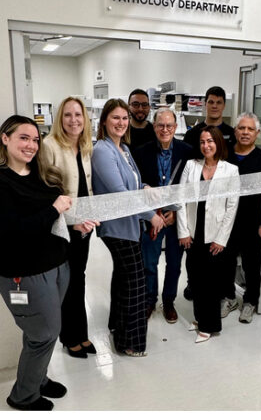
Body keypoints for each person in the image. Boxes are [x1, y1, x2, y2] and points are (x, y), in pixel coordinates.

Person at [0, 115, 85, 411]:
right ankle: (23, 396)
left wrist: (74, 223)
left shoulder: (42, 174)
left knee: (42, 331)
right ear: (5, 138)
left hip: (56, 265)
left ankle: (37, 379)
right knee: (43, 334)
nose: (31, 145)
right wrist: (55, 208)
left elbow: (54, 219)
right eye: (24, 138)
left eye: (35, 139)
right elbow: (12, 229)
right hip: (24, 272)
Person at [91, 98, 165, 357]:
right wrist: (151, 216)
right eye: (115, 118)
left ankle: (119, 329)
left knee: (124, 279)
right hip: (117, 228)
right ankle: (131, 343)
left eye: (124, 118)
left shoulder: (123, 148)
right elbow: (120, 193)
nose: (121, 122)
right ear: (104, 121)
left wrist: (144, 187)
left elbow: (131, 183)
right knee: (136, 283)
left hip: (129, 225)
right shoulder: (102, 150)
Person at [41, 97, 100, 359]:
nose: (73, 120)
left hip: (84, 226)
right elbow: (46, 191)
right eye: (67, 115)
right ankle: (70, 337)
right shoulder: (50, 145)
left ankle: (81, 334)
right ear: (59, 118)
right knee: (68, 281)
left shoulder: (85, 146)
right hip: (64, 228)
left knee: (79, 277)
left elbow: (87, 187)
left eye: (78, 114)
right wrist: (72, 221)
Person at [177, 126, 239, 343]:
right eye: (203, 142)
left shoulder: (230, 170)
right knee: (195, 278)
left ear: (218, 143)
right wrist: (183, 231)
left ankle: (209, 326)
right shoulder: (191, 166)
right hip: (193, 232)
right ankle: (199, 318)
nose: (206, 146)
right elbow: (181, 199)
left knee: (211, 282)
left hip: (215, 235)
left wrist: (221, 239)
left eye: (210, 141)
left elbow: (232, 206)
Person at [132, 108, 193, 323]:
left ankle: (168, 301)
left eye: (169, 126)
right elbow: (135, 183)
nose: (165, 129)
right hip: (152, 217)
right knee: (149, 263)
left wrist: (176, 213)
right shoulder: (141, 152)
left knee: (174, 264)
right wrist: (145, 190)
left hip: (176, 217)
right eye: (160, 125)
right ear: (154, 127)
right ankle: (150, 300)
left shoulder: (187, 152)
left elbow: (192, 187)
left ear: (175, 127)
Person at [221, 112, 261, 323]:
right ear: (235, 131)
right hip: (227, 222)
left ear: (257, 133)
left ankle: (250, 302)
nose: (245, 132)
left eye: (250, 129)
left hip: (253, 224)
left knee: (252, 266)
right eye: (241, 128)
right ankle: (228, 298)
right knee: (225, 263)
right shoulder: (224, 154)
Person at [182, 85, 237, 159]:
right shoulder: (192, 134)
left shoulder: (232, 134)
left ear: (224, 106)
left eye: (219, 102)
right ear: (205, 104)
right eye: (211, 102)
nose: (214, 106)